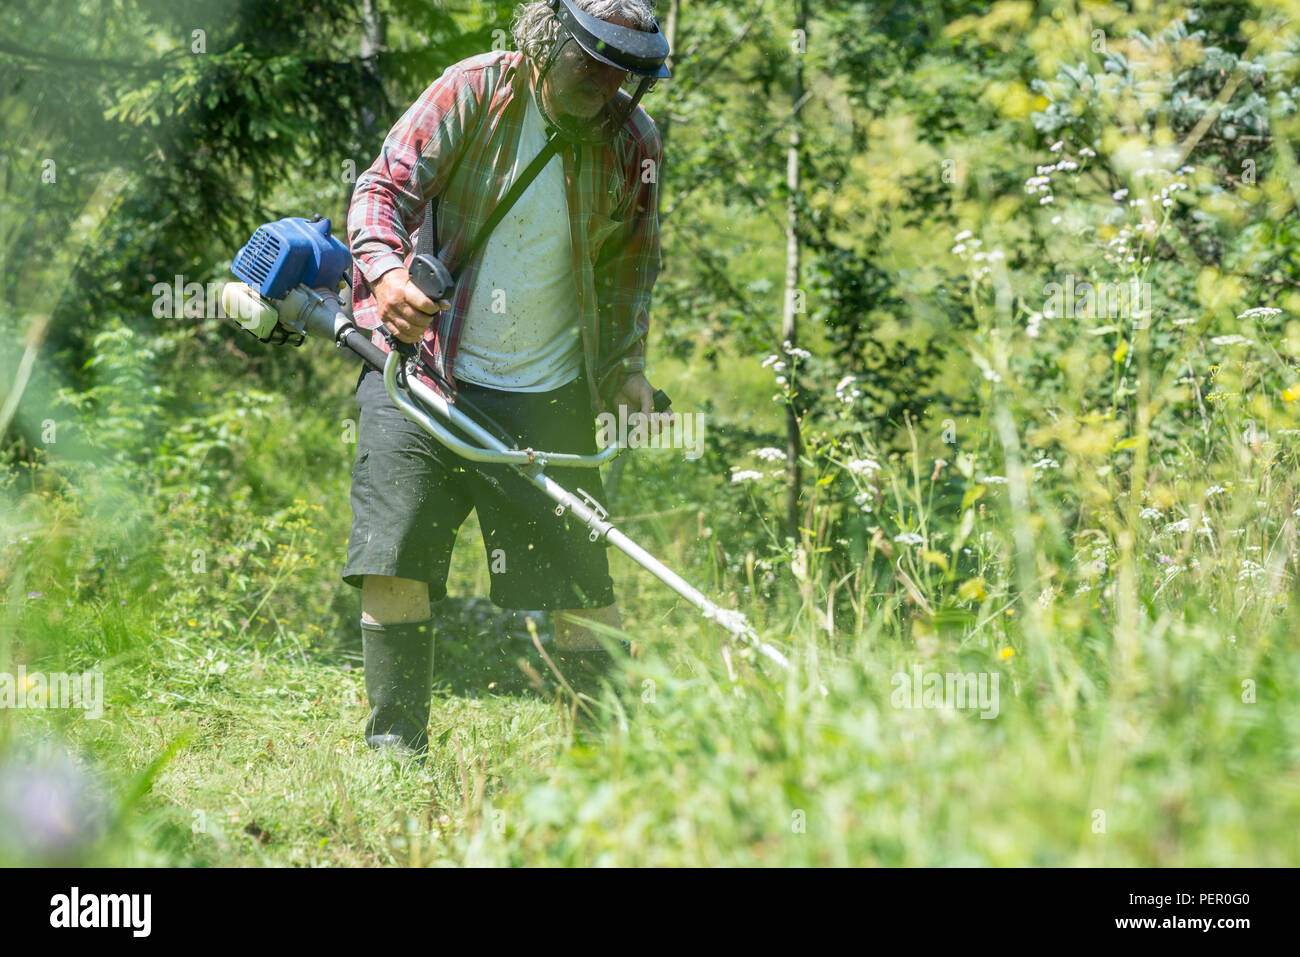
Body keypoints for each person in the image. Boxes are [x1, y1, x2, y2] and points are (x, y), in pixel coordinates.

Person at [343, 0, 671, 755]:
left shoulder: (634, 140)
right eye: (593, 63)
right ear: (546, 41)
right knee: (395, 558)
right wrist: (387, 275)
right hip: (424, 372)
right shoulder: (472, 91)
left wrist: (626, 371)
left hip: (548, 391)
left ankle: (603, 761)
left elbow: (632, 269)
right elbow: (382, 190)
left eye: (623, 71)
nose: (607, 84)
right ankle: (396, 754)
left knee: (582, 588)